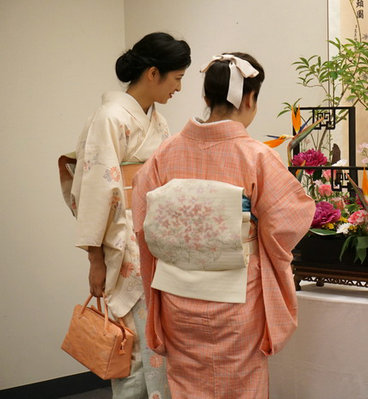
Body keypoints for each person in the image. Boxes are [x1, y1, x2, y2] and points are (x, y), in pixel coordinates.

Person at [131, 52, 315, 398]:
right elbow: (289, 221)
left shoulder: (165, 154)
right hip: (235, 301)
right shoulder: (256, 156)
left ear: (205, 97)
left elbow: (143, 224)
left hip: (178, 299)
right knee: (242, 385)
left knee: (187, 385)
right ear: (249, 99)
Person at [66, 32, 191, 399]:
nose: (179, 87)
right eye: (177, 78)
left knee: (159, 342)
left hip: (156, 243)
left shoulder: (159, 121)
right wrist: (95, 259)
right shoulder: (110, 117)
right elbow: (96, 189)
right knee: (133, 348)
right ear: (153, 73)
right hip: (124, 246)